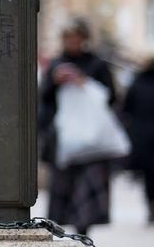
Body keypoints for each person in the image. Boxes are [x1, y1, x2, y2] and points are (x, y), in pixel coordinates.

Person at [40, 18, 118, 235]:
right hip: (63, 139)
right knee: (62, 189)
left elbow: (110, 97)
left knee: (88, 191)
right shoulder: (56, 64)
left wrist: (85, 83)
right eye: (69, 38)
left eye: (77, 38)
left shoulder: (97, 64)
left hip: (92, 139)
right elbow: (44, 100)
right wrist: (55, 81)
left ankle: (84, 234)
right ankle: (63, 235)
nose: (73, 42)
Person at [124, 58, 154, 225]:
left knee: (149, 176)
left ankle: (151, 206)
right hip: (144, 134)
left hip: (142, 136)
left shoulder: (137, 83)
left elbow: (126, 109)